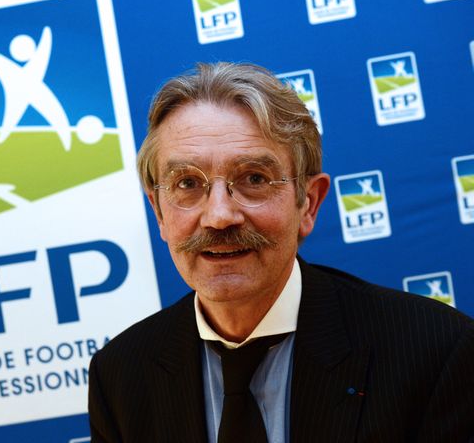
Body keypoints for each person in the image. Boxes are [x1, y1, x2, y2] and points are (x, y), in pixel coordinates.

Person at [87, 62, 474, 442]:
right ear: (159, 212)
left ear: (308, 203)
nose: (219, 216)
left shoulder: (435, 352)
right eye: (187, 183)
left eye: (254, 178)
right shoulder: (120, 378)